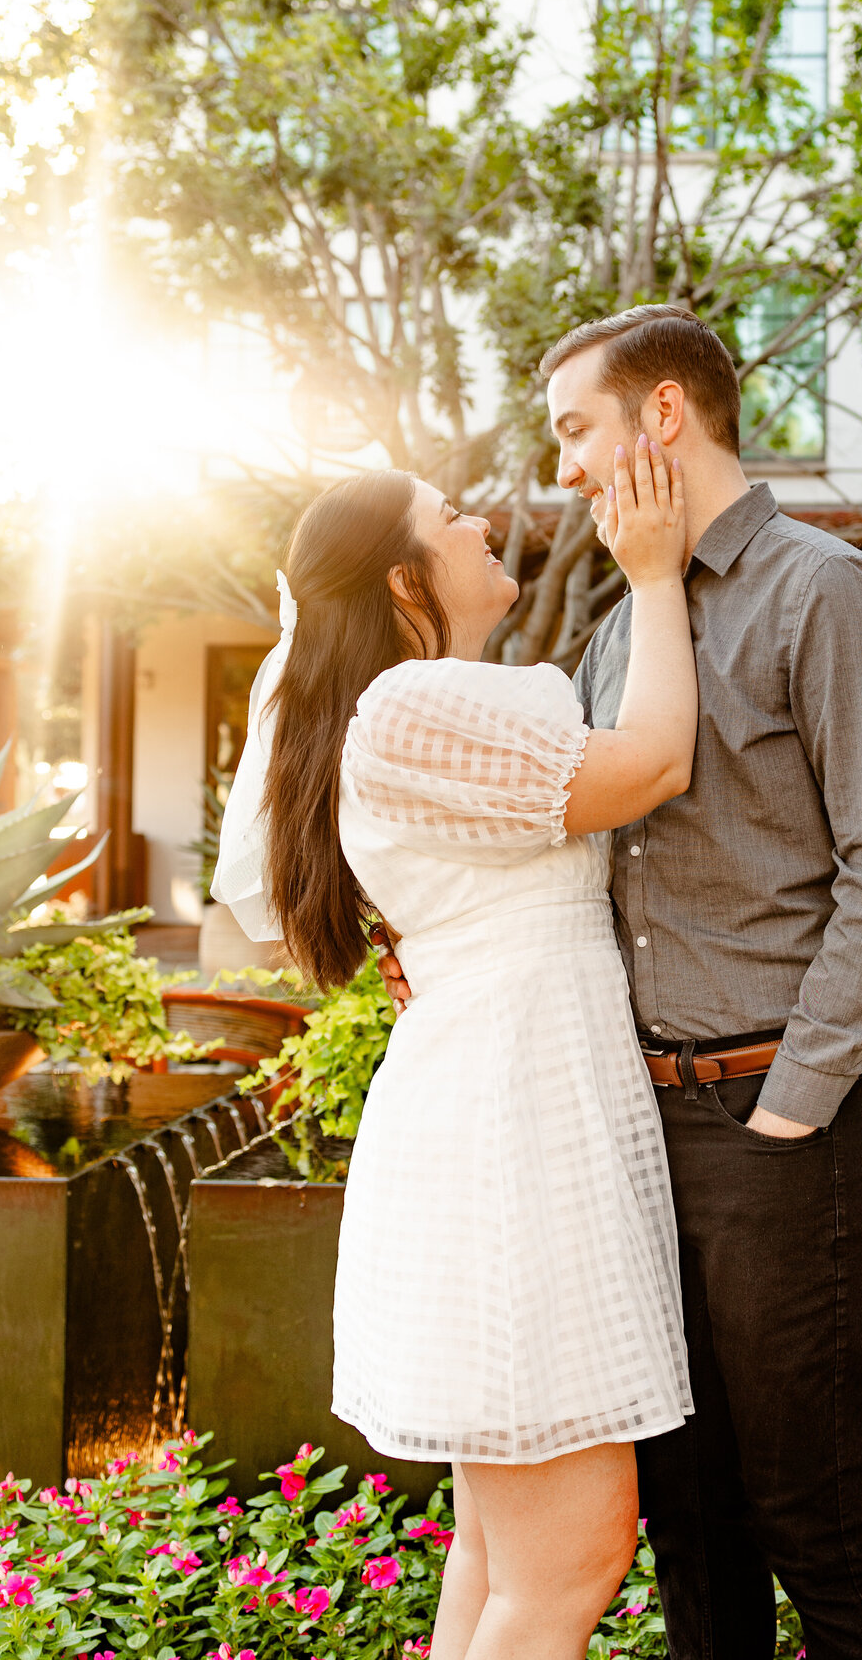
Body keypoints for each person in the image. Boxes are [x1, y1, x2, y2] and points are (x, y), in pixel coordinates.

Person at [380, 304, 862, 1660]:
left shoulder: (825, 591)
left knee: (810, 1507)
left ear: (666, 414)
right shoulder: (626, 630)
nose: (567, 465)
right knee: (691, 1515)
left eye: (578, 427)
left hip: (780, 1123)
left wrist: (793, 1102)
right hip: (638, 1134)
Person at [212, 448, 699, 1660]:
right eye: (450, 515)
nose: (480, 520)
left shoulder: (423, 707)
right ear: (401, 578)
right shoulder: (409, 705)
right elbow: (652, 766)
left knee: (501, 1553)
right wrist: (654, 576)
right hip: (510, 1133)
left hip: (512, 1105)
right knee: (571, 1556)